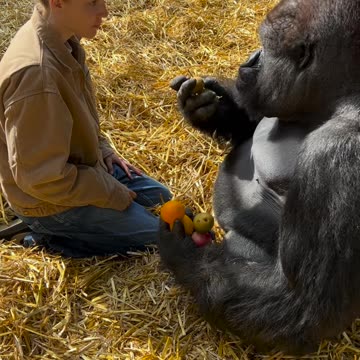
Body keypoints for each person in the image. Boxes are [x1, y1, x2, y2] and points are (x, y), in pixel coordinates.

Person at [0, 0, 172, 257]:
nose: (104, 11)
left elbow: (81, 115)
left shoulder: (64, 40)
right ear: (58, 2)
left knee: (163, 199)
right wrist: (110, 192)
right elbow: (40, 178)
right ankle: (45, 237)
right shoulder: (37, 75)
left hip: (82, 170)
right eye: (92, 3)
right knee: (164, 240)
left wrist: (103, 150)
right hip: (50, 201)